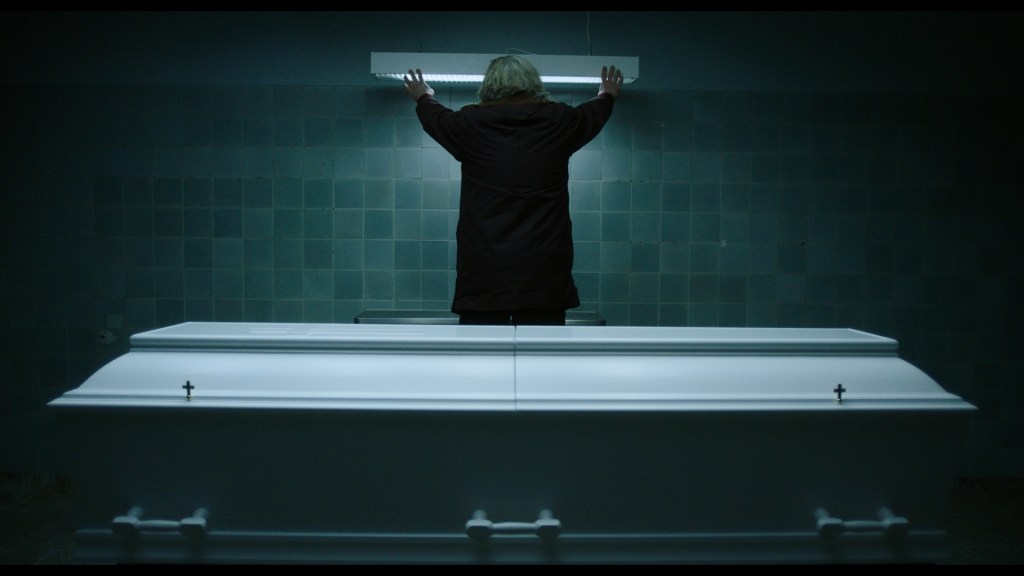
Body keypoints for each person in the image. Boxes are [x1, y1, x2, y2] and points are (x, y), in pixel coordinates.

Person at [403, 55, 624, 325]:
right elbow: (592, 115)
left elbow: (437, 118)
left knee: (483, 349)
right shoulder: (559, 120)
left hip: (484, 271)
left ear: (489, 84)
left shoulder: (469, 124)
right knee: (541, 350)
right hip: (543, 272)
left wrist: (423, 96)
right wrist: (606, 95)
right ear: (533, 83)